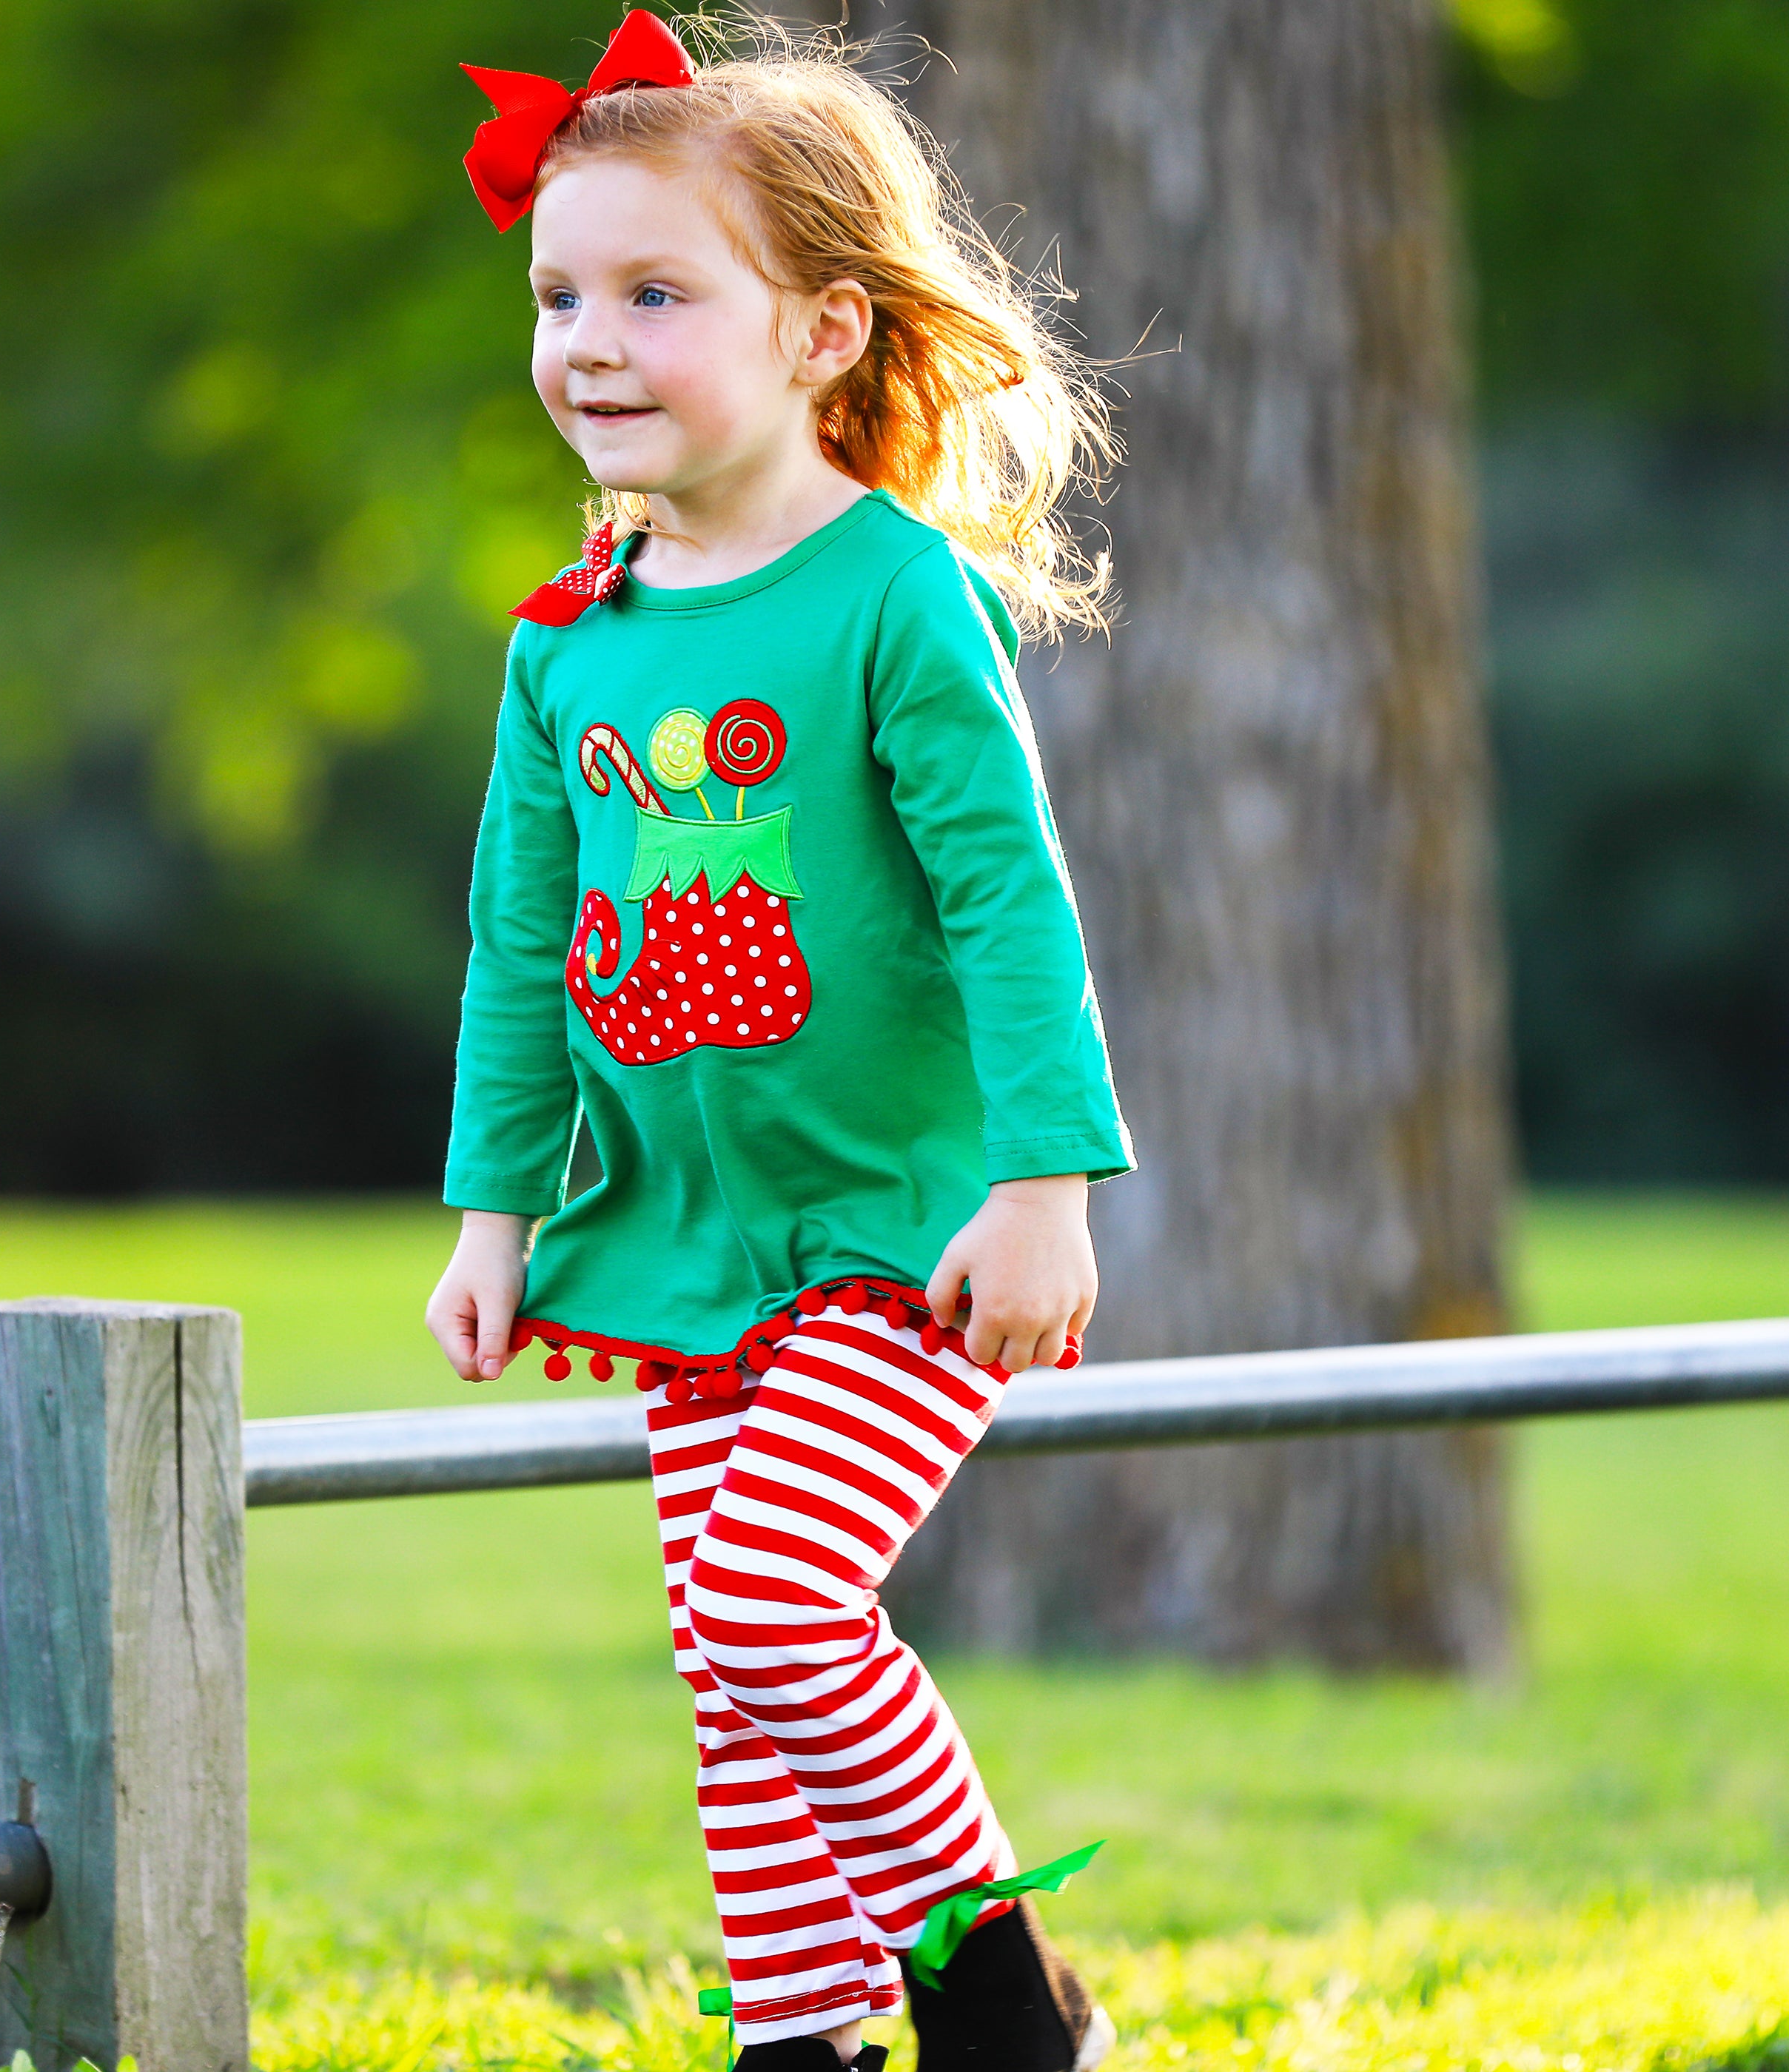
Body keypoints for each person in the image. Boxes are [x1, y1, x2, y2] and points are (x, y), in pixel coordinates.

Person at [428, 14, 1134, 2069]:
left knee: (774, 1603)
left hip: (904, 1226)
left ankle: (1008, 2005)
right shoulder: (577, 632)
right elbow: (517, 939)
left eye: (658, 293)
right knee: (730, 1661)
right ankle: (797, 2042)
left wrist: (1043, 1179)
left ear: (825, 334)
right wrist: (494, 1208)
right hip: (681, 1236)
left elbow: (1012, 901)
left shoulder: (894, 599)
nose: (593, 341)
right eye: (562, 296)